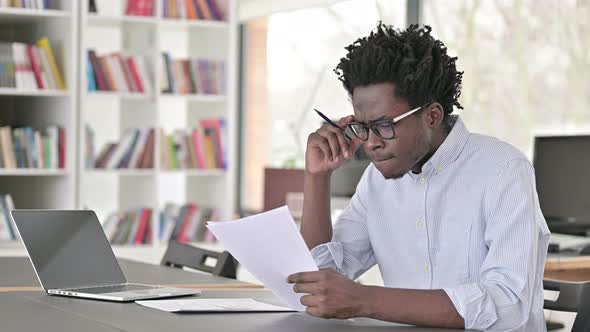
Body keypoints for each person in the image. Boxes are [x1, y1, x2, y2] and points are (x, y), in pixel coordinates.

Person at [287, 23, 550, 331]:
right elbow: (317, 282)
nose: (371, 142)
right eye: (362, 126)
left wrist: (366, 300)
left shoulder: (503, 169)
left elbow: (507, 305)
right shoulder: (376, 182)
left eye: (384, 125)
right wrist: (316, 178)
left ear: (432, 116)